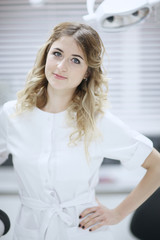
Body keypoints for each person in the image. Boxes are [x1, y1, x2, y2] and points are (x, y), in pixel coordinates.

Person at [0, 22, 160, 240]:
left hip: (82, 231)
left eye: (76, 60)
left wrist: (118, 213)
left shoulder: (97, 121)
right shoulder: (12, 114)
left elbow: (157, 165)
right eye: (57, 54)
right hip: (28, 231)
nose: (61, 66)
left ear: (87, 72)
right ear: (46, 55)